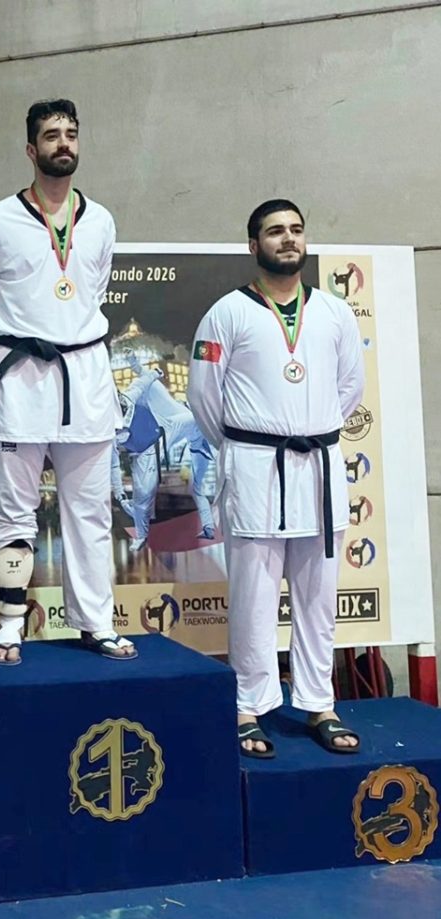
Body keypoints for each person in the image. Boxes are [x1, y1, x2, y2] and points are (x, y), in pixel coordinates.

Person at [187, 199, 364, 758]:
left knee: (318, 596)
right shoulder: (227, 313)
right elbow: (203, 396)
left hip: (319, 467)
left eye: (295, 229)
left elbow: (349, 387)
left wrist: (308, 427)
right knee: (254, 597)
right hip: (256, 468)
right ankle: (248, 705)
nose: (288, 239)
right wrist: (246, 444)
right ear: (253, 245)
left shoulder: (335, 312)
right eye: (274, 231)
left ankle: (318, 703)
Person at [0, 99, 136, 665]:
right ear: (30, 149)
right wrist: (26, 333)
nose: (63, 143)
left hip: (84, 378)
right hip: (20, 381)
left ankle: (96, 622)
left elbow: (93, 292)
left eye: (70, 134)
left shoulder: (101, 220)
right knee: (11, 510)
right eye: (51, 135)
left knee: (90, 512)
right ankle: (11, 621)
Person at [113, 356, 215, 553]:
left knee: (193, 421)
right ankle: (141, 536)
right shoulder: (107, 432)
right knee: (142, 496)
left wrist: (143, 368)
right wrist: (119, 493)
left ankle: (209, 526)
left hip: (165, 428)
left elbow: (144, 382)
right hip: (145, 453)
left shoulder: (128, 397)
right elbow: (113, 463)